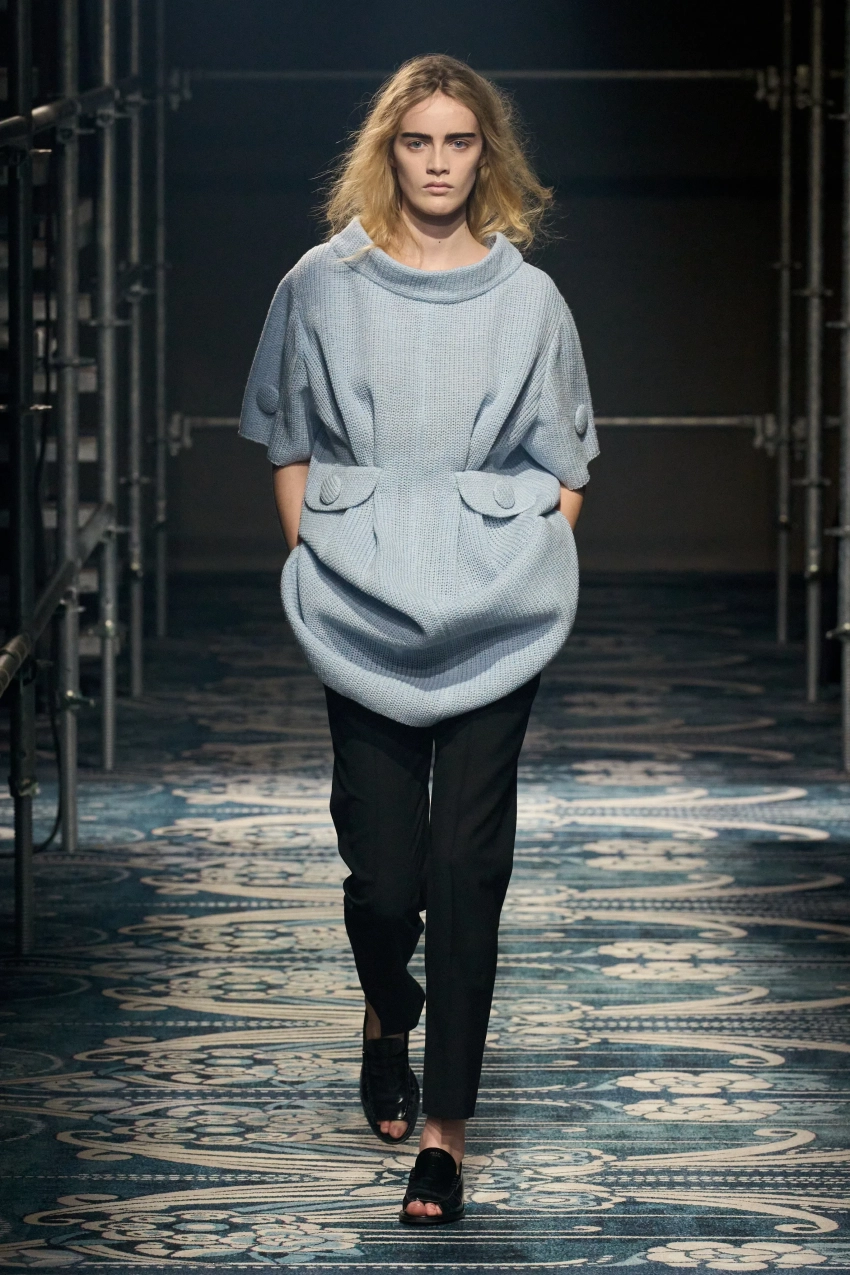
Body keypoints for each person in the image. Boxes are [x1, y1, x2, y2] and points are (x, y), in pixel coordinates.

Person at [239, 52, 599, 1226]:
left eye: (458, 142)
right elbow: (288, 440)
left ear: (486, 155)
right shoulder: (320, 286)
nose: (438, 163)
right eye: (416, 142)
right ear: (385, 151)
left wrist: (518, 564)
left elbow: (567, 464)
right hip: (362, 608)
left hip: (497, 616)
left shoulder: (528, 299)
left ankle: (444, 1136)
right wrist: (321, 562)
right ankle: (387, 1014)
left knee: (464, 870)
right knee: (386, 878)